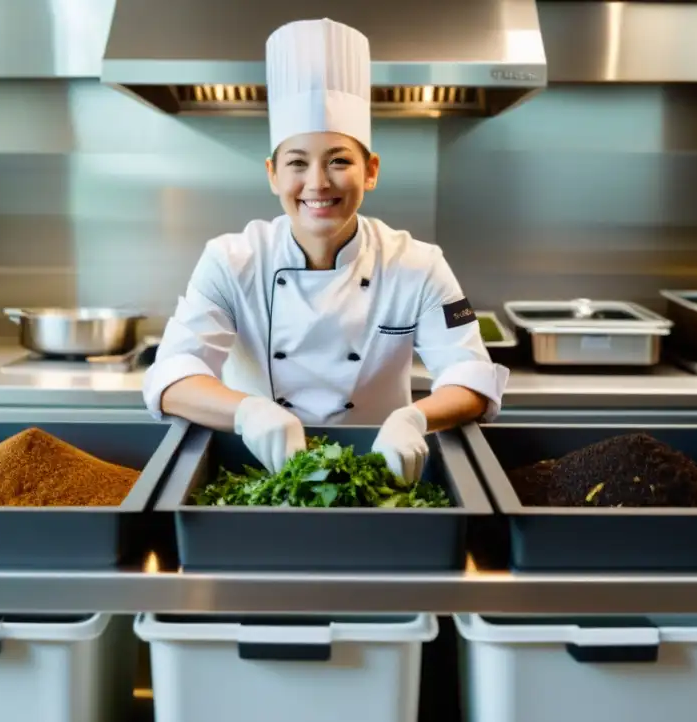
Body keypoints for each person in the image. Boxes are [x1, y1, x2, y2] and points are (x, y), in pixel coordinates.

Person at [143, 17, 508, 482]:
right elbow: (171, 375)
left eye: (339, 160)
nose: (317, 182)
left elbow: (471, 375)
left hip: (382, 478)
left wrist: (414, 418)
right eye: (298, 163)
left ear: (370, 170)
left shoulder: (418, 264)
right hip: (255, 477)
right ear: (273, 173)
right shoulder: (232, 260)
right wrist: (249, 412)